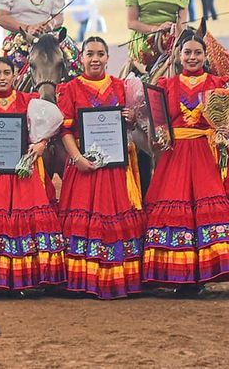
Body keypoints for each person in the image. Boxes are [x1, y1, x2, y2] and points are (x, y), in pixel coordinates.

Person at [142, 36, 229, 296]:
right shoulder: (164, 86)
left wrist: (225, 127)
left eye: (197, 53)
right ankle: (179, 275)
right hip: (175, 156)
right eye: (187, 53)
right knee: (176, 209)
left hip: (205, 154)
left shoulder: (219, 85)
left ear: (206, 57)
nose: (192, 57)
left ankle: (202, 274)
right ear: (178, 56)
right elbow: (158, 123)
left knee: (206, 209)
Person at [0, 57, 66, 294]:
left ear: (15, 75)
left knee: (25, 223)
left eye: (6, 72)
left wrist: (42, 144)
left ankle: (23, 279)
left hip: (22, 173)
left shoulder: (28, 100)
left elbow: (52, 123)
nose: (1, 77)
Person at [55, 38, 145, 299]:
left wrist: (130, 120)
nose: (95, 59)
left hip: (114, 167)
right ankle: (83, 280)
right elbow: (65, 130)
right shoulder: (69, 89)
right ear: (80, 58)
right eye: (90, 54)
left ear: (108, 58)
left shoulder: (121, 86)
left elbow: (128, 128)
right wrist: (77, 158)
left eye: (100, 54)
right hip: (83, 165)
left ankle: (117, 279)